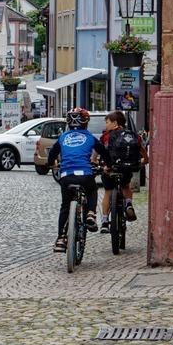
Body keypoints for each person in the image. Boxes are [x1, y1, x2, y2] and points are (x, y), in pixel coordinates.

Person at [48, 107, 112, 253]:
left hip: (66, 176)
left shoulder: (63, 137)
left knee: (65, 206)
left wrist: (52, 164)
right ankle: (90, 213)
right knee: (92, 190)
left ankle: (61, 238)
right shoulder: (89, 137)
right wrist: (109, 165)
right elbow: (104, 152)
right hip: (85, 174)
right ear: (86, 123)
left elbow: (52, 153)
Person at [99, 111, 149, 233]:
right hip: (127, 168)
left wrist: (96, 162)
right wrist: (143, 161)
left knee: (108, 192)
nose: (106, 125)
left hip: (110, 169)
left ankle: (105, 221)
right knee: (126, 186)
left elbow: (98, 153)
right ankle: (128, 204)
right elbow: (143, 152)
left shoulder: (106, 136)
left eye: (107, 122)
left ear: (115, 123)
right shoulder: (133, 135)